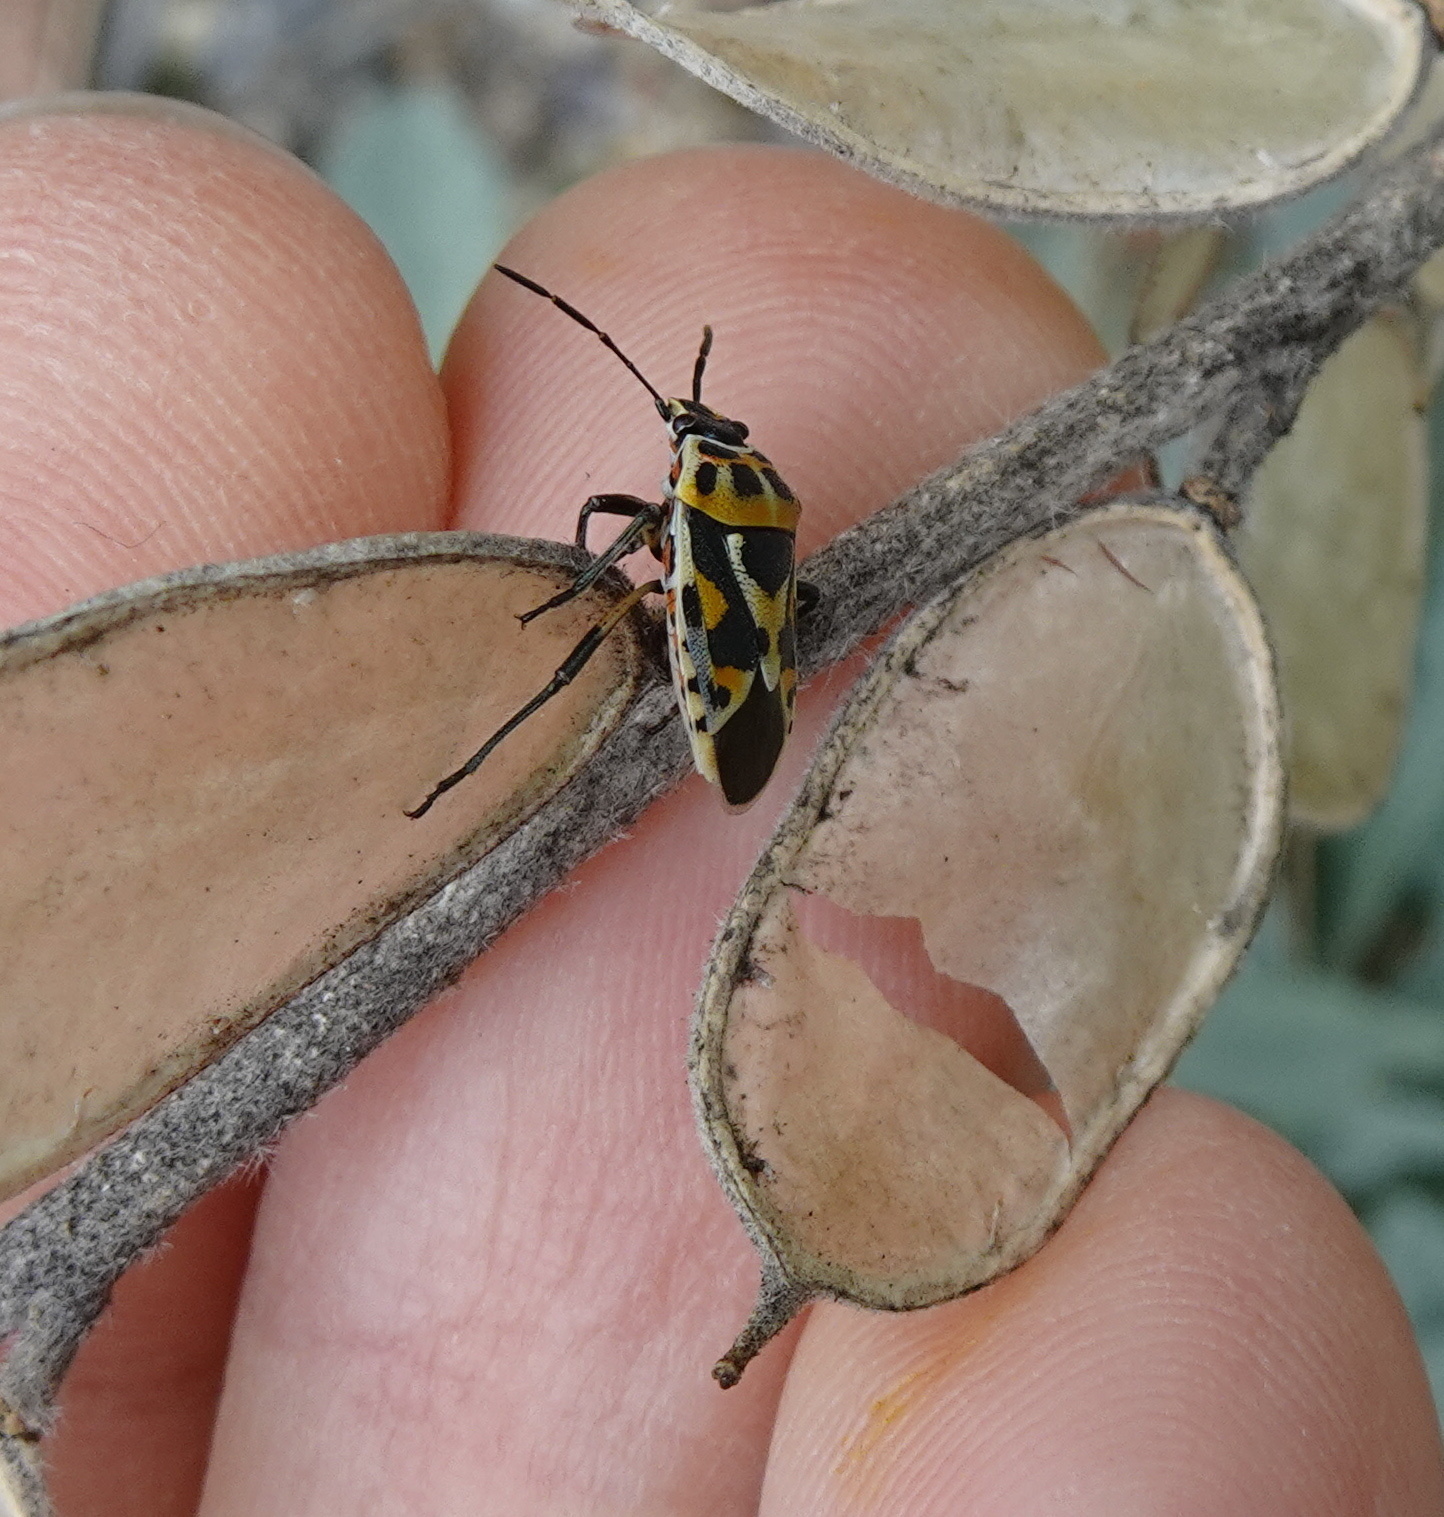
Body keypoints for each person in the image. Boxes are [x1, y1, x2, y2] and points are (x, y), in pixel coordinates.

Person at [1, 94, 1438, 1515]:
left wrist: (593, 594)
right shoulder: (741, 486)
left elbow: (624, 535)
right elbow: (750, 532)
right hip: (737, 629)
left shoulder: (690, 500)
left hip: (713, 648)